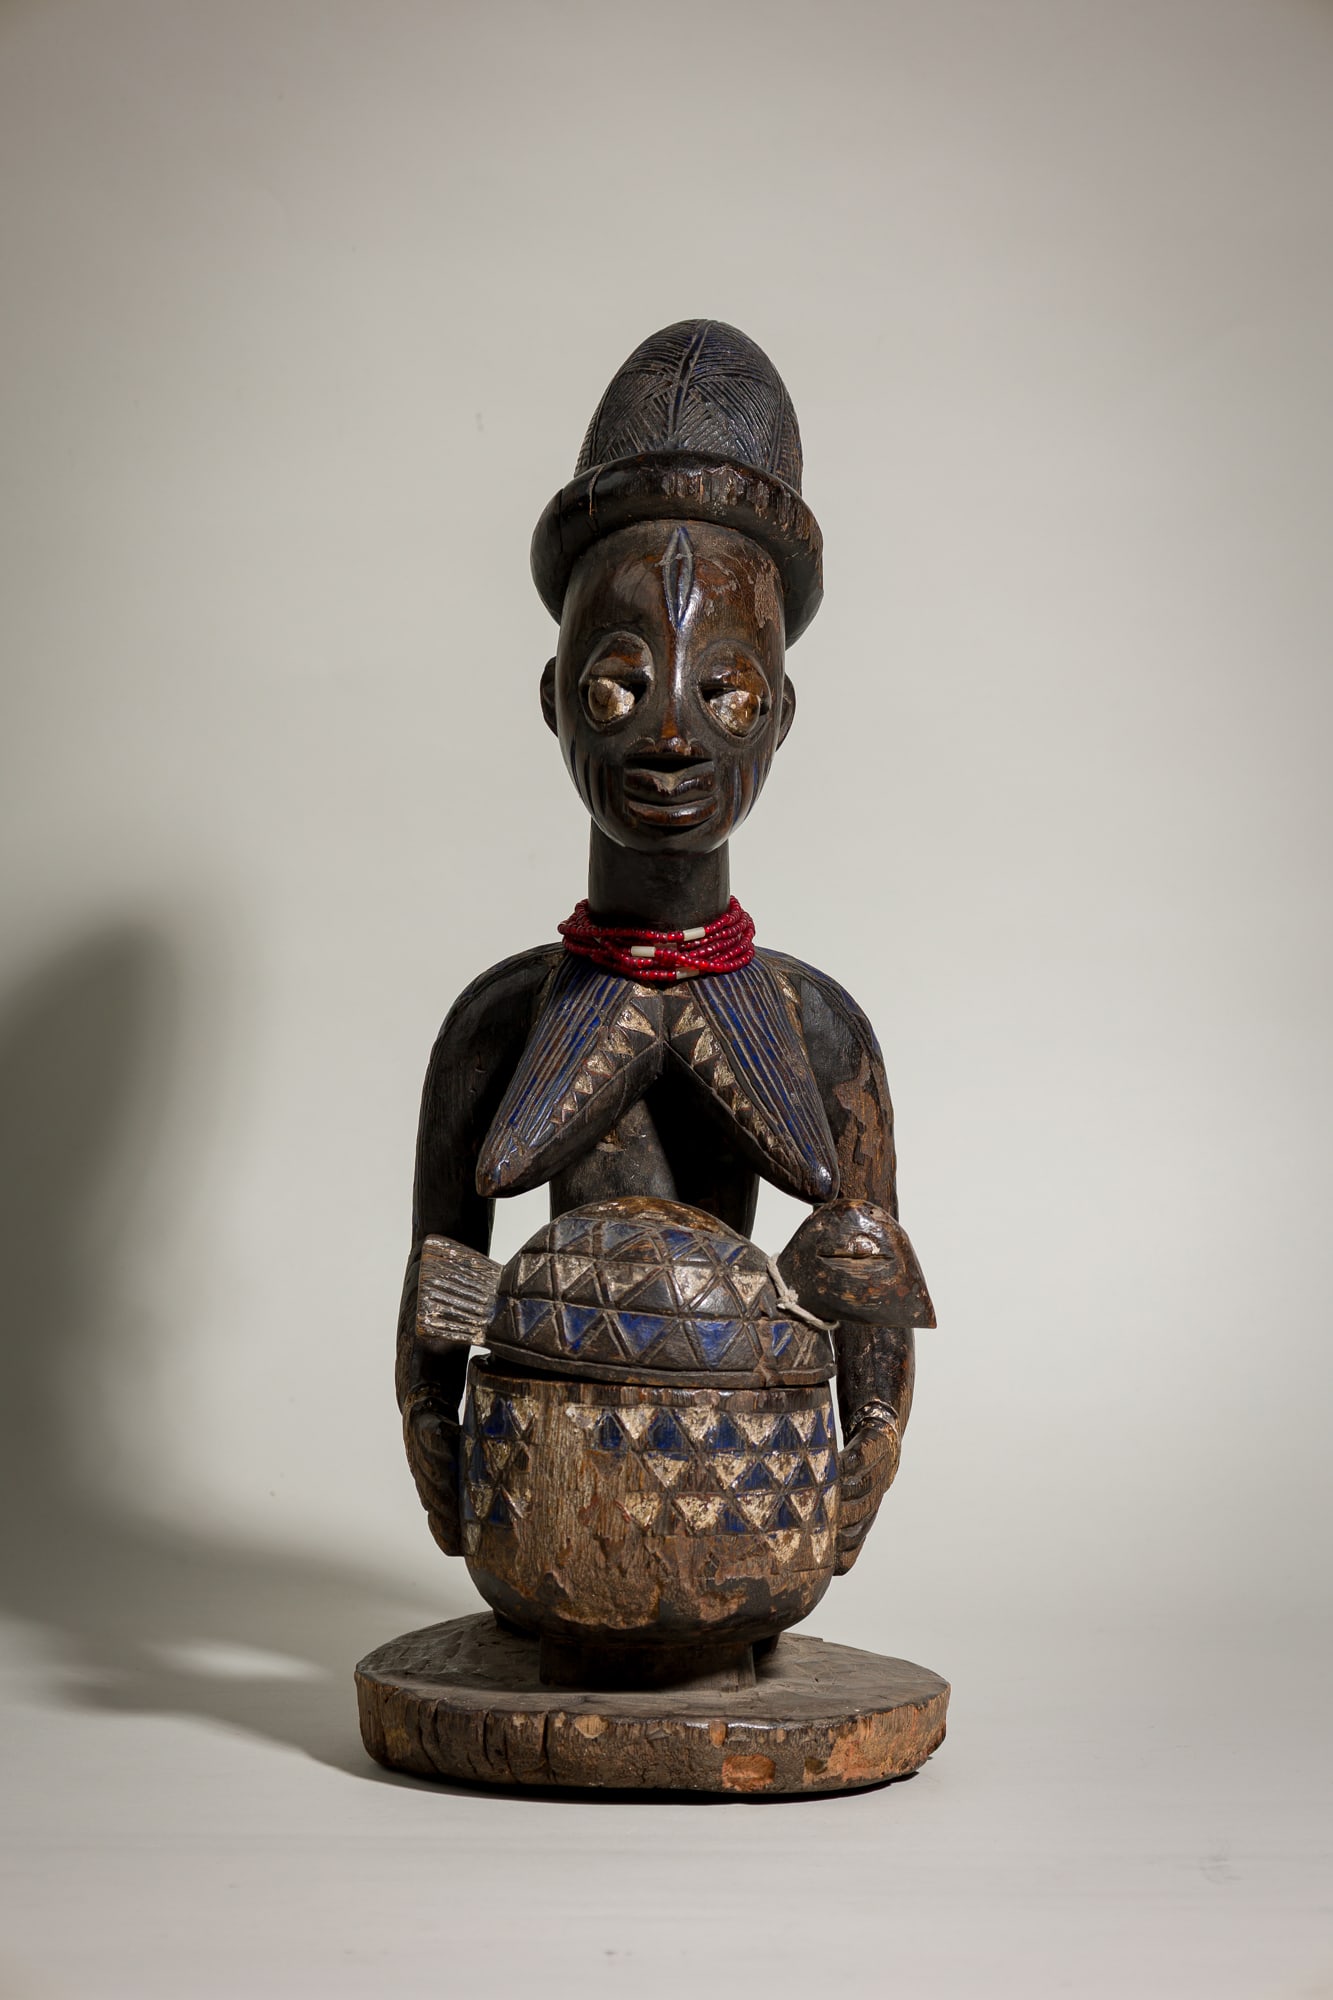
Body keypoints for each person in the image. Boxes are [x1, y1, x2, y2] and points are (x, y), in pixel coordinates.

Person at [396, 320, 928, 1578]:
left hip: (747, 1518)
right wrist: (432, 1423)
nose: (673, 736)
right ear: (551, 696)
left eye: (727, 693)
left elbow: (869, 1290)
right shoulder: (500, 1026)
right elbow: (449, 1262)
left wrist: (873, 1442)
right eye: (618, 688)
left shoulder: (815, 1031)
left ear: (780, 715)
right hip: (544, 1498)